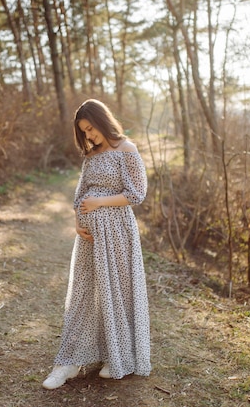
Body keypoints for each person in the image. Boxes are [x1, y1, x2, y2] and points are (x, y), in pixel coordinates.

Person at [42, 99, 151, 390]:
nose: (89, 136)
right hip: (90, 237)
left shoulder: (126, 150)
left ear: (102, 121)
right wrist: (78, 220)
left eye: (90, 129)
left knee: (116, 292)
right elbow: (81, 193)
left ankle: (115, 356)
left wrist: (100, 202)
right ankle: (67, 362)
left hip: (117, 233)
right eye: (84, 132)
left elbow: (136, 193)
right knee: (83, 293)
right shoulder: (91, 156)